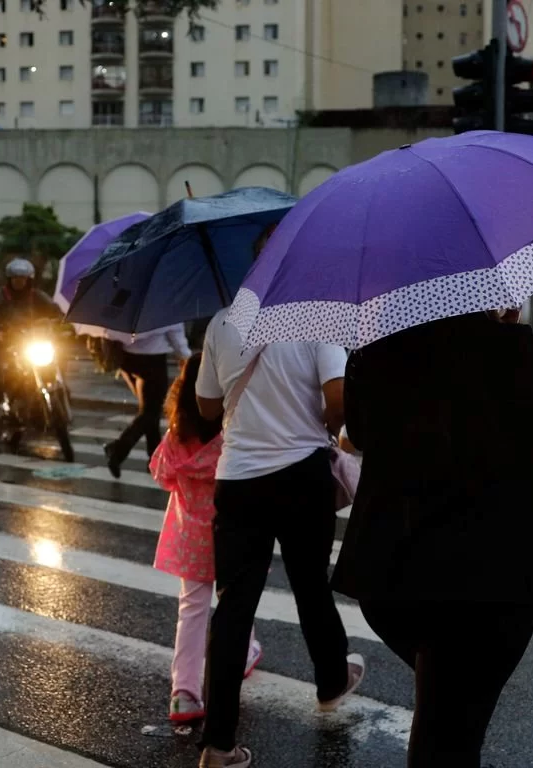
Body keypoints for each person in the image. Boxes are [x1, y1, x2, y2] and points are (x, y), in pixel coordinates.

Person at [333, 309, 533, 768]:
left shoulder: (376, 346)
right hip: (486, 575)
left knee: (445, 711)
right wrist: (518, 336)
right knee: (450, 736)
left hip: (394, 570)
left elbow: (358, 433)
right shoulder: (502, 343)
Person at [193, 228, 365, 768]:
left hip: (238, 479)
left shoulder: (223, 321)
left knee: (233, 607)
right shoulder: (319, 316)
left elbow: (205, 407)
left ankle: (218, 744)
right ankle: (332, 681)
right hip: (301, 476)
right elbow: (337, 399)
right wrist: (323, 421)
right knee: (312, 585)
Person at [150, 353, 262, 724]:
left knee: (192, 610)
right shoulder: (231, 437)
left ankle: (184, 693)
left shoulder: (176, 438)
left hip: (188, 541)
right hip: (229, 535)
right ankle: (243, 654)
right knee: (235, 604)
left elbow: (163, 475)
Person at [0, 258, 63, 453]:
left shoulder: (36, 297)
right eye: (15, 279)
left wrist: (64, 324)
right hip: (4, 349)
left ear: (29, 280)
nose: (19, 282)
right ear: (9, 279)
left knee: (53, 366)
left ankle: (47, 413)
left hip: (29, 345)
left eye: (23, 279)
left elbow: (55, 311)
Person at [103, 324, 191, 478]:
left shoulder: (131, 300)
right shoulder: (163, 301)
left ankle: (155, 458)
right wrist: (187, 358)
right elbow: (174, 330)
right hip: (152, 360)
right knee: (151, 412)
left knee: (151, 410)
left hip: (127, 359)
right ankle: (117, 450)